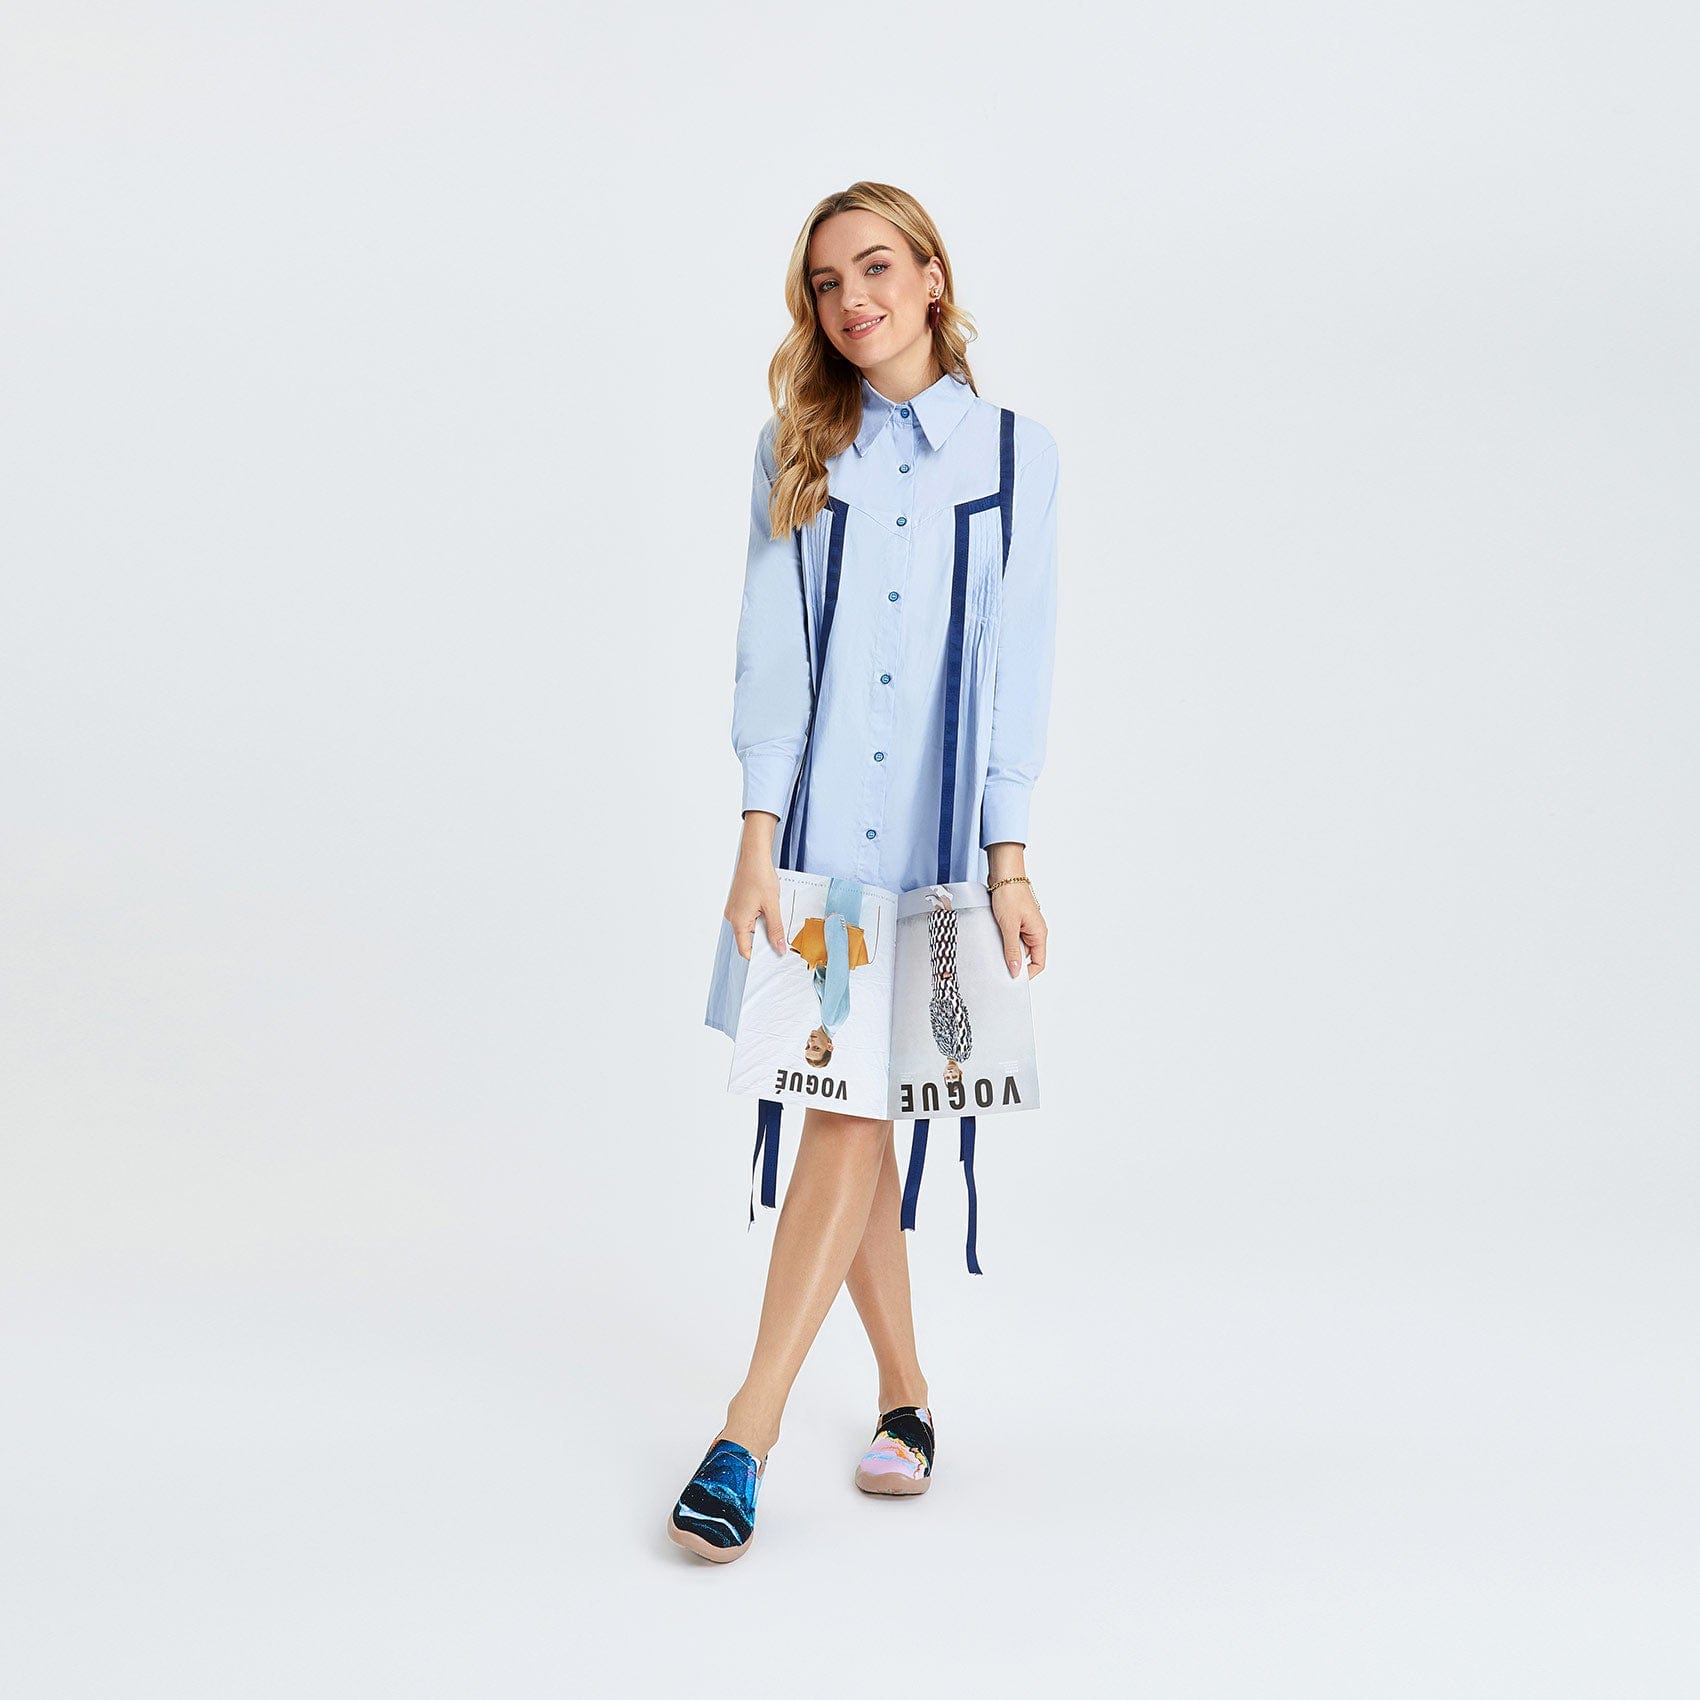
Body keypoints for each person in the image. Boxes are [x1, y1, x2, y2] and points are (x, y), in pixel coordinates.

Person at [667, 181, 1058, 1564]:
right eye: (827, 283)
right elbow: (771, 657)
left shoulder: (1014, 456)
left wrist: (1010, 860)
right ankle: (887, 1399)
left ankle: (750, 1431)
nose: (852, 301)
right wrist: (755, 842)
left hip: (939, 854)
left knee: (853, 1117)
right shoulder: (796, 448)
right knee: (849, 1111)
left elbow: (1017, 667)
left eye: (876, 268)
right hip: (824, 852)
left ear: (933, 275)